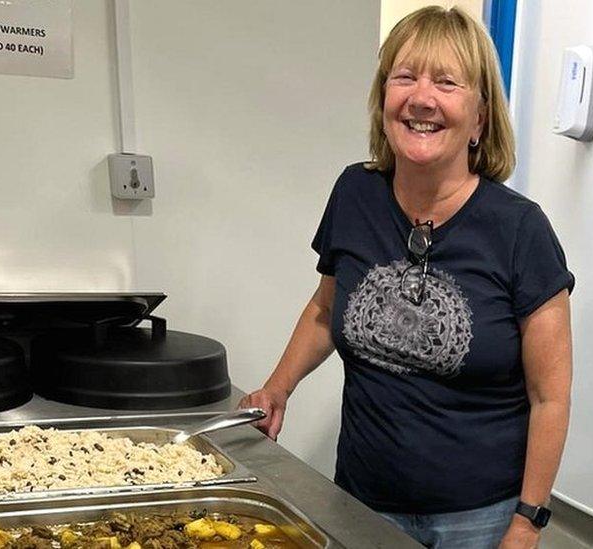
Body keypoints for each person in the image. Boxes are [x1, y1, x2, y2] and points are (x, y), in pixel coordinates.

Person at [240, 6, 574, 548]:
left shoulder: (520, 230)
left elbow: (550, 396)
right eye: (405, 77)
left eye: (446, 82)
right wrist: (278, 388)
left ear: (480, 117)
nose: (422, 98)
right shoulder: (355, 194)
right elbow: (326, 310)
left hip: (479, 518)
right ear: (384, 98)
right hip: (360, 499)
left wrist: (527, 520)